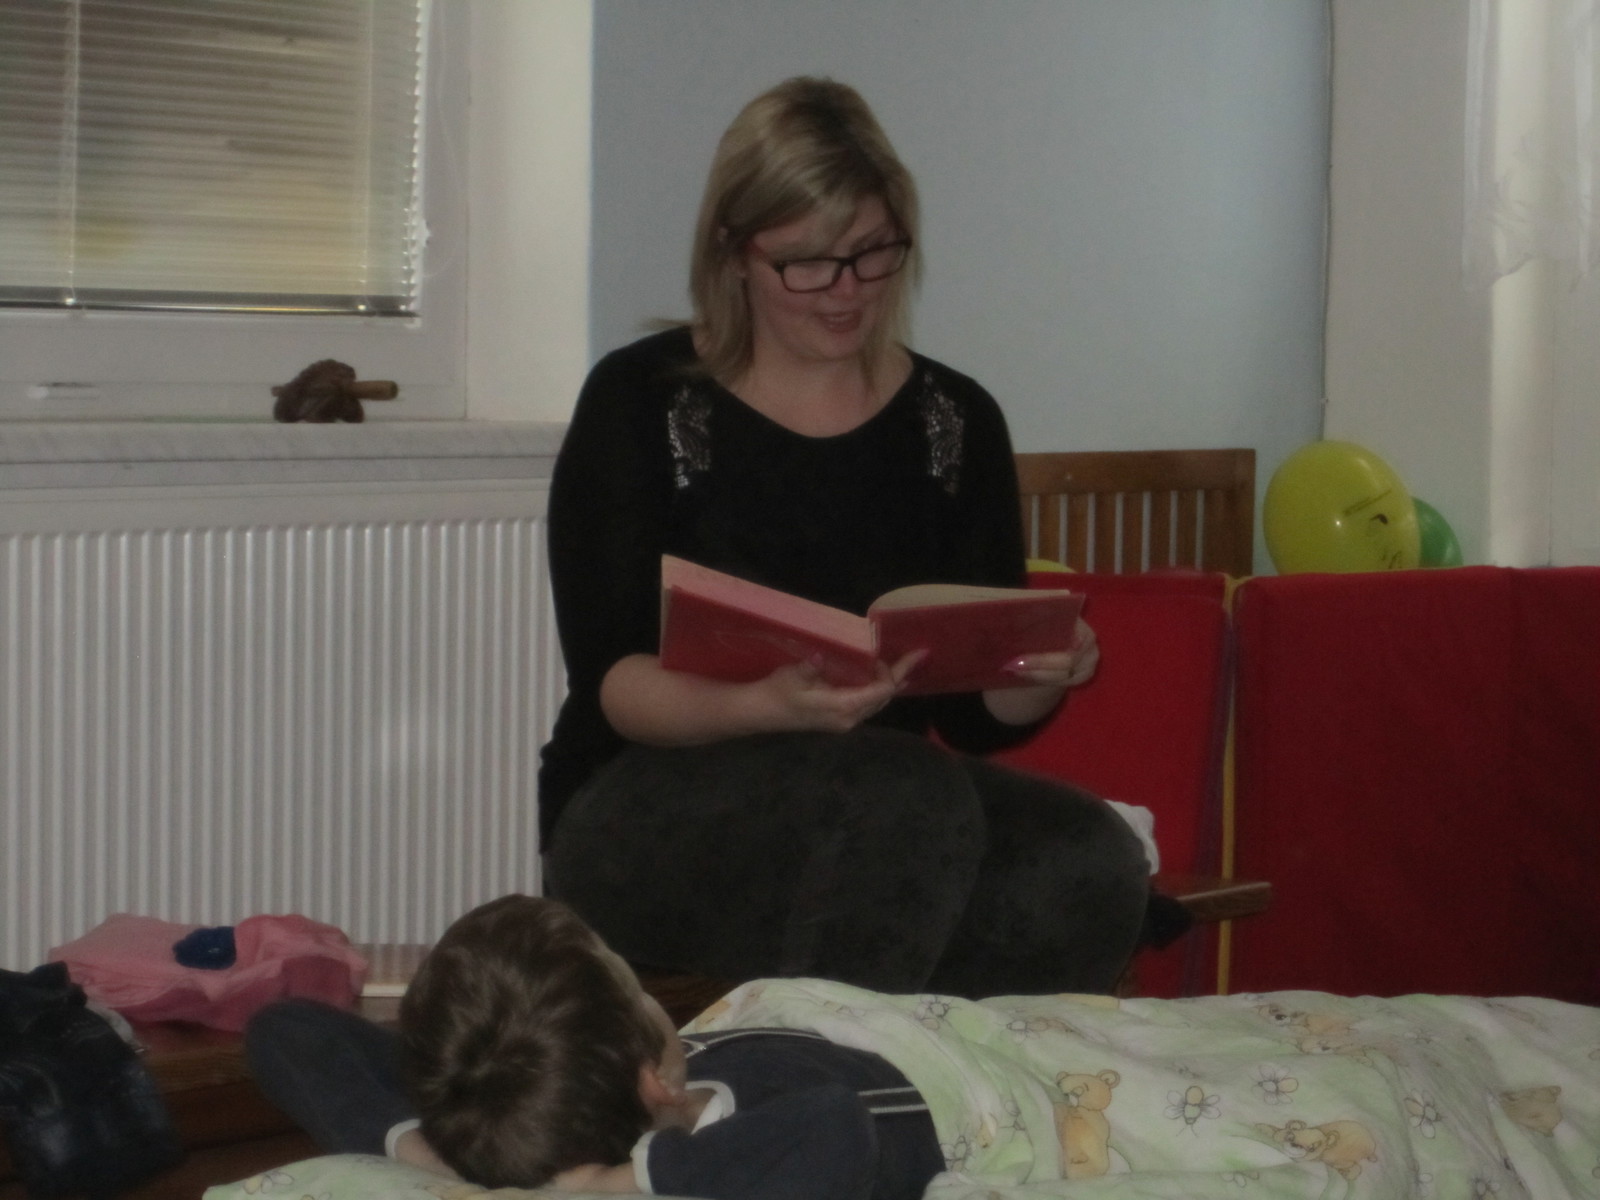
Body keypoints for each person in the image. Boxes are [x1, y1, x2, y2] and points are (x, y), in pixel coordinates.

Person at [540, 75, 1153, 998]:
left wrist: (1038, 669)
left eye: (873, 254)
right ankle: (810, 1074)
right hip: (643, 797)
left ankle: (946, 1077)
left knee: (1087, 856)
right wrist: (767, 707)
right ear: (732, 250)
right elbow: (616, 684)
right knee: (903, 803)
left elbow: (976, 719)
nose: (846, 291)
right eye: (808, 263)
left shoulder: (954, 420)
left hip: (880, 803)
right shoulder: (641, 400)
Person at [244, 894, 944, 1200]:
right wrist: (625, 1180)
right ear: (654, 1078)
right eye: (635, 985)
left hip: (763, 1033)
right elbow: (838, 1127)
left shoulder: (505, 1115)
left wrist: (426, 1150)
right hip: (927, 1057)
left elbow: (283, 1030)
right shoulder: (773, 1124)